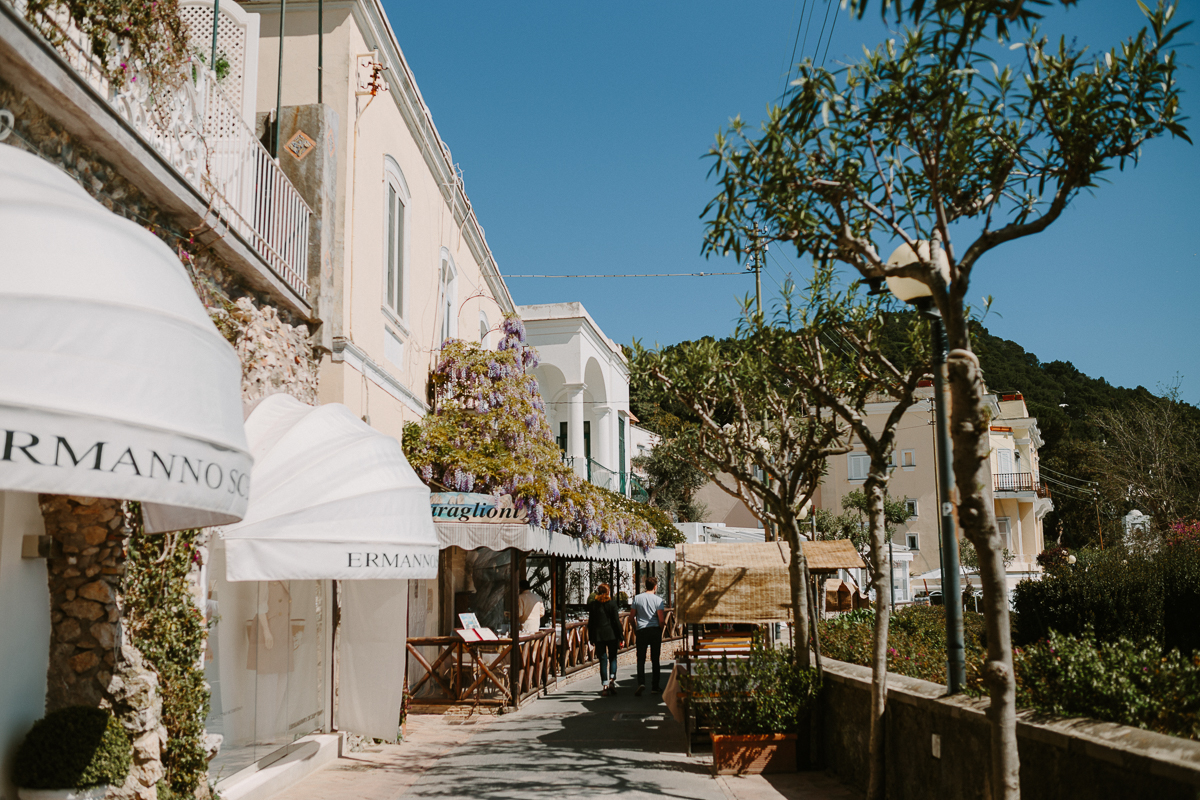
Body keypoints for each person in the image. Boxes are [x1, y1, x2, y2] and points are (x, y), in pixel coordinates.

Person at [631, 575, 666, 695]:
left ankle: (641, 682)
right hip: (654, 630)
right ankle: (655, 686)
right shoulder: (658, 600)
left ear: (646, 586)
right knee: (655, 659)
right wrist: (661, 630)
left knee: (641, 658)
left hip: (641, 630)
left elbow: (631, 617)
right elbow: (661, 619)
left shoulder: (637, 598)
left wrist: (635, 629)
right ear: (655, 587)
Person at [587, 583, 621, 696]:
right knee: (613, 657)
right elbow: (616, 621)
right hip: (611, 634)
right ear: (608, 592)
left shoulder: (593, 605)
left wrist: (590, 637)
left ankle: (605, 685)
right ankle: (612, 679)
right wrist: (621, 636)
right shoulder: (612, 604)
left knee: (602, 659)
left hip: (599, 635)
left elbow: (590, 623)